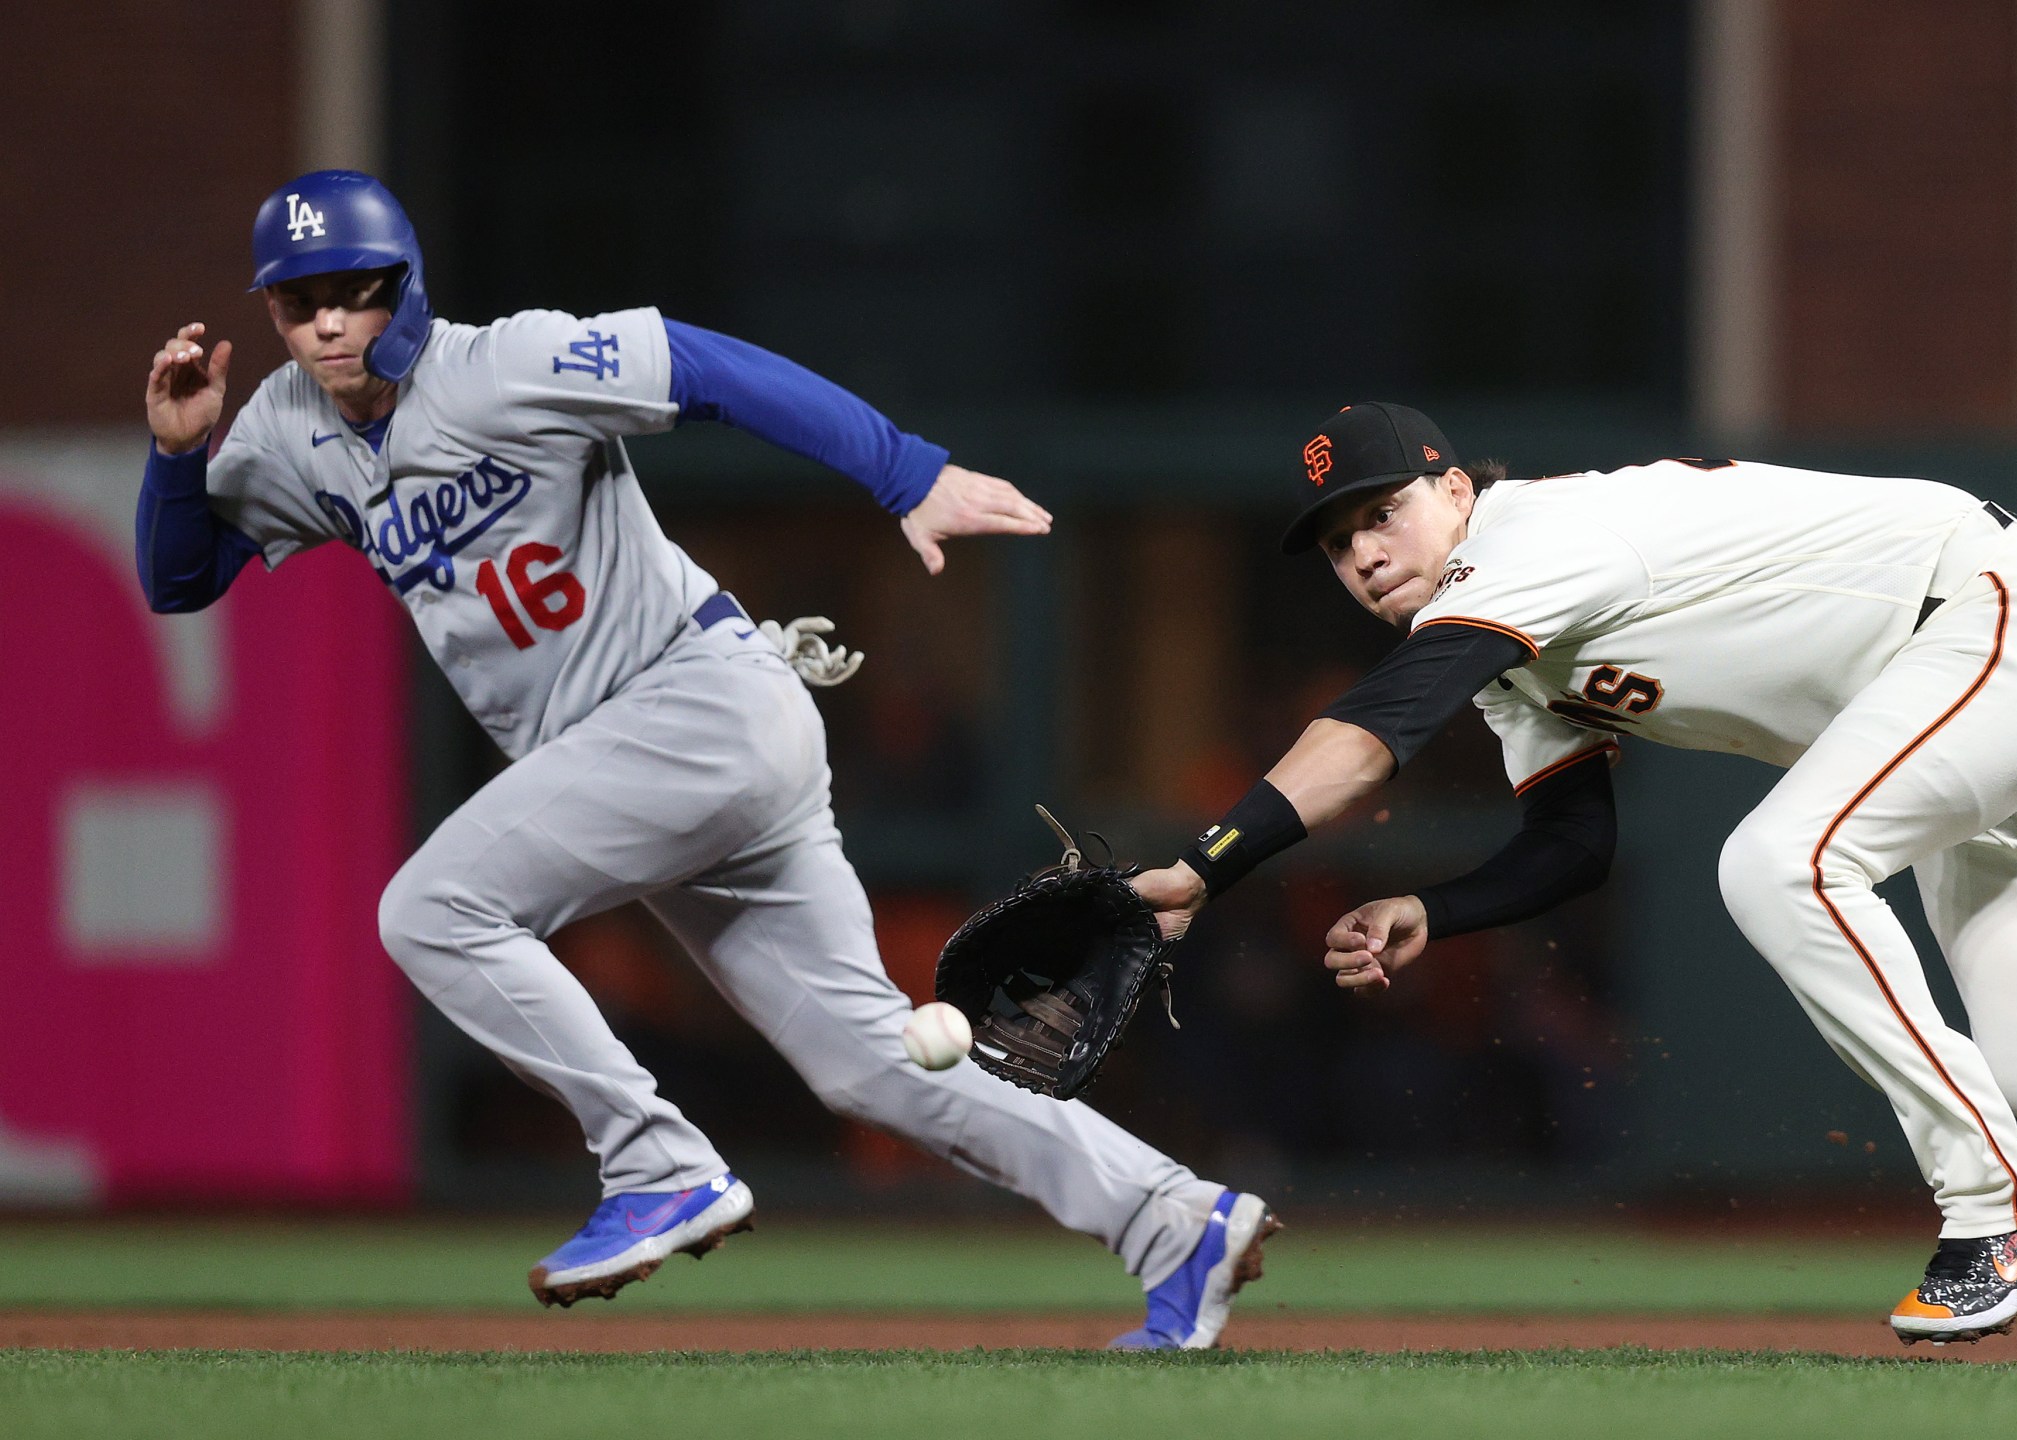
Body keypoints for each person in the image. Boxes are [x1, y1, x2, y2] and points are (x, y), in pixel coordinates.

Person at [137, 170, 1271, 1347]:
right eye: (300, 298)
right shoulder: (285, 425)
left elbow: (704, 366)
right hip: (650, 758)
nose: (329, 321)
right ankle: (1176, 1220)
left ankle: (654, 1165)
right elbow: (181, 580)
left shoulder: (502, 365)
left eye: (355, 291)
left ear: (404, 285)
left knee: (432, 909)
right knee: (871, 1067)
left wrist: (905, 470)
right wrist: (177, 456)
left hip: (693, 706)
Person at [1129, 401, 2017, 1361]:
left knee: (1781, 862)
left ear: (1453, 488)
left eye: (1381, 510)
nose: (1364, 549)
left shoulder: (1530, 548)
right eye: (1336, 539)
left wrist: (1207, 861)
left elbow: (1374, 734)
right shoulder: (1513, 648)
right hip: (1957, 680)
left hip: (1991, 619)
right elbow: (1572, 844)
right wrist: (1447, 905)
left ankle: (1996, 1210)